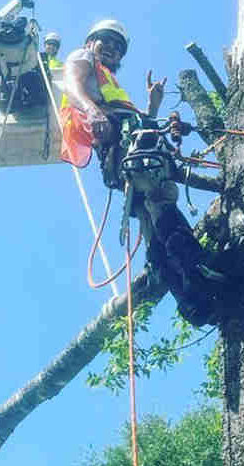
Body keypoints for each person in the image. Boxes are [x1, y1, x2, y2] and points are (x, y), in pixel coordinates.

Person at [58, 20, 221, 326]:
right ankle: (197, 267)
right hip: (123, 150)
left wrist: (152, 105)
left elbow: (136, 128)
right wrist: (93, 113)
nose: (111, 49)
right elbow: (71, 84)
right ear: (91, 42)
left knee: (153, 220)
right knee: (160, 197)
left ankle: (192, 299)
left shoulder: (110, 84)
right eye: (105, 42)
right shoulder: (83, 58)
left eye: (117, 47)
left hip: (130, 151)